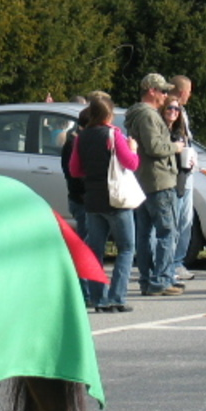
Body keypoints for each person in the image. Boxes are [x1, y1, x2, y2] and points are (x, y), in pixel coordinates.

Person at [69, 94, 139, 312]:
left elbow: (75, 170)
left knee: (95, 250)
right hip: (116, 199)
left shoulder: (82, 137)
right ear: (109, 114)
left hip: (93, 200)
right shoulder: (113, 134)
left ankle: (98, 299)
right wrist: (133, 148)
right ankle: (117, 297)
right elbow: (131, 163)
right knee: (126, 248)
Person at [125, 73, 185, 296]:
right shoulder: (148, 115)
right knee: (167, 231)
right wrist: (175, 148)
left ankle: (149, 279)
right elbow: (154, 147)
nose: (165, 96)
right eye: (162, 91)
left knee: (145, 233)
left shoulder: (136, 114)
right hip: (158, 180)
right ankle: (160, 279)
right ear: (151, 90)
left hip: (143, 180)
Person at [61, 107, 91, 306]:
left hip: (82, 198)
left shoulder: (77, 140)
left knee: (87, 243)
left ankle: (87, 289)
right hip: (81, 199)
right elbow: (75, 175)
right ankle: (84, 291)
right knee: (85, 245)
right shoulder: (74, 143)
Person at [169, 75, 197, 282]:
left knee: (184, 220)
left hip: (187, 170)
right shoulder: (170, 112)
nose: (190, 95)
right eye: (188, 91)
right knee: (178, 219)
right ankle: (174, 262)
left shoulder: (182, 113)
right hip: (177, 174)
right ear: (181, 91)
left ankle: (176, 261)